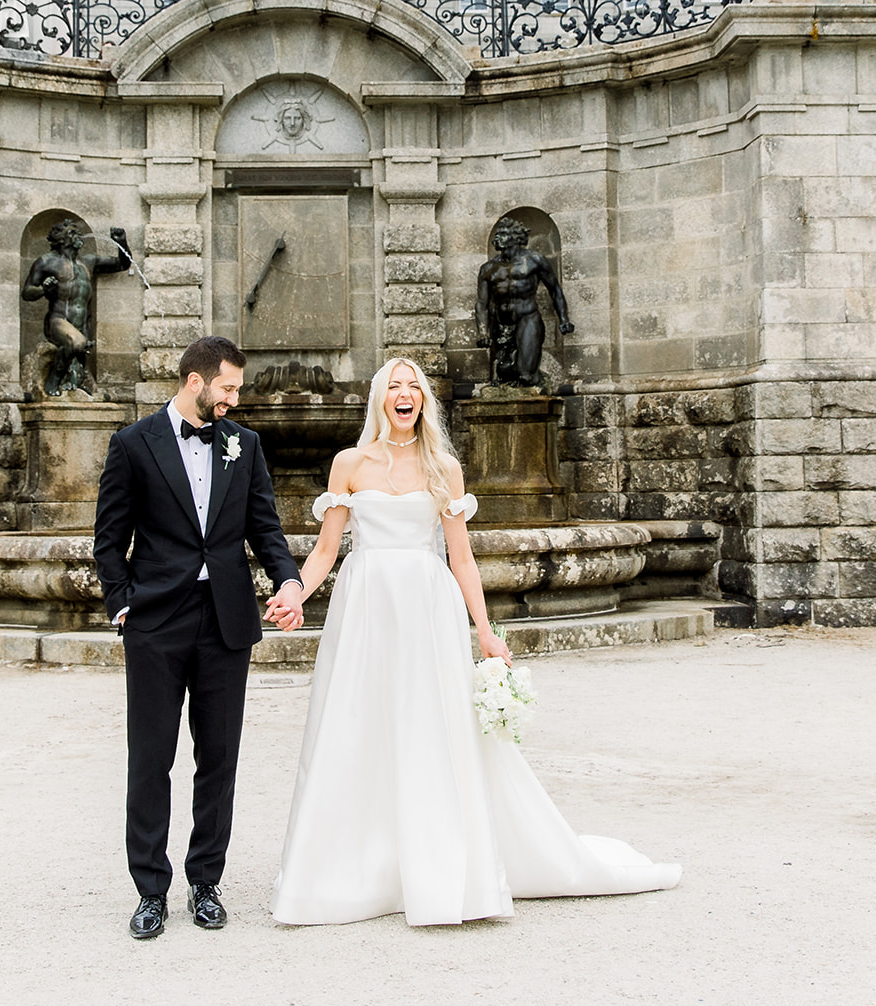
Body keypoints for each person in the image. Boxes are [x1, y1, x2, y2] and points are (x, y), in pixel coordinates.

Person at [270, 356, 680, 926]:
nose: (405, 394)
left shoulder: (444, 469)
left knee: (429, 728)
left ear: (423, 401)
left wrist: (485, 630)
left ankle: (436, 866)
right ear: (379, 399)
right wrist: (296, 592)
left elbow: (461, 557)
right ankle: (360, 870)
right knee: (357, 723)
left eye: (414, 387)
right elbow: (324, 551)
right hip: (363, 609)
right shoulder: (349, 463)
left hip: (426, 609)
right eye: (395, 386)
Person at [93, 335, 306, 940]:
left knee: (218, 759)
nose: (235, 399)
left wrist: (288, 581)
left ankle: (206, 882)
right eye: (229, 388)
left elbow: (265, 527)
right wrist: (122, 606)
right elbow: (109, 539)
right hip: (156, 623)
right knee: (151, 759)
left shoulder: (245, 445)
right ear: (195, 381)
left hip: (226, 622)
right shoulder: (133, 445)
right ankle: (150, 891)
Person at [21, 219, 130, 396]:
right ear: (61, 239)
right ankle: (52, 381)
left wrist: (121, 242)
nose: (78, 236)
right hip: (58, 320)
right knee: (76, 342)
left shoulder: (88, 262)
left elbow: (122, 264)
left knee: (77, 371)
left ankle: (67, 378)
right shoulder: (46, 262)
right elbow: (27, 292)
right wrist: (43, 289)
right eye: (72, 233)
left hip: (82, 324)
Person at [475, 218, 574, 390]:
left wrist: (564, 319)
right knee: (503, 373)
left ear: (515, 237)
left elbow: (555, 290)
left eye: (503, 234)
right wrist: (482, 332)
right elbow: (482, 303)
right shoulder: (488, 268)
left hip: (527, 319)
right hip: (502, 325)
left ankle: (533, 374)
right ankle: (520, 369)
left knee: (526, 376)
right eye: (497, 234)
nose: (497, 237)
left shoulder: (534, 260)